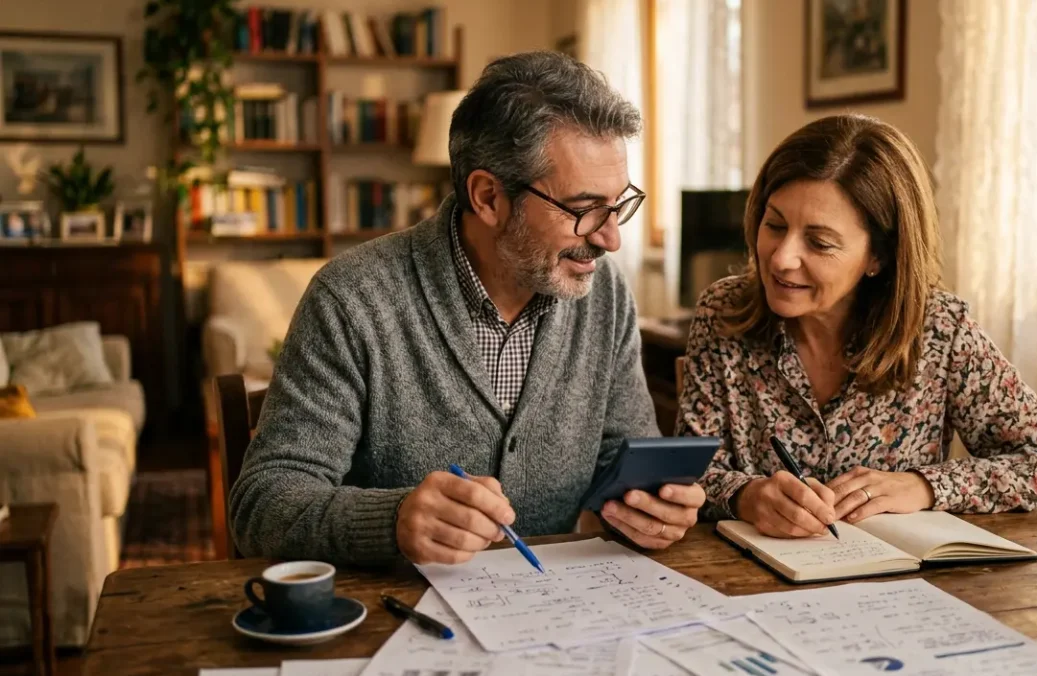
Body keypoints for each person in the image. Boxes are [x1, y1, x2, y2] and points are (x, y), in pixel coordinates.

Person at [230, 51, 706, 566]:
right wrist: (392, 520)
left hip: (555, 612)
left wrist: (655, 506)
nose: (611, 238)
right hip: (394, 617)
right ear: (488, 197)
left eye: (619, 205)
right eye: (586, 209)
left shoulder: (604, 295)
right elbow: (263, 506)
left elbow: (623, 459)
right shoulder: (352, 299)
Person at [678, 115, 1037, 538]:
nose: (781, 257)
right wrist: (746, 495)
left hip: (899, 589)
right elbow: (685, 474)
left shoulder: (941, 329)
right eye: (775, 225)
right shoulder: (723, 312)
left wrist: (925, 486)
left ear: (879, 256)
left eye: (819, 242)